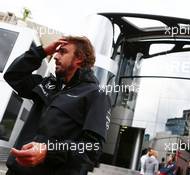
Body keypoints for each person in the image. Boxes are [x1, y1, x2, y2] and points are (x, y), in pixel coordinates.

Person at [4, 36, 111, 175]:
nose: (55, 56)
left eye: (63, 52)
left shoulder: (96, 95)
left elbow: (92, 148)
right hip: (16, 171)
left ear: (79, 58)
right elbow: (13, 76)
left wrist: (48, 151)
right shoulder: (49, 84)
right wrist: (42, 51)